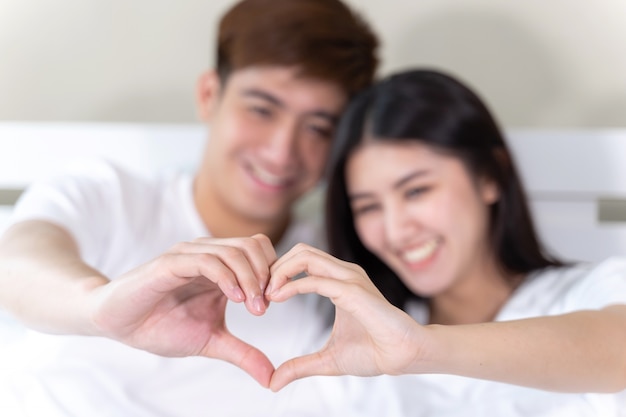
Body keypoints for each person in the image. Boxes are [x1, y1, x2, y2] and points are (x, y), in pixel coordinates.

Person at [0, 0, 378, 415]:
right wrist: (100, 308)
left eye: (318, 128)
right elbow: (19, 261)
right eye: (261, 110)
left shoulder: (337, 277)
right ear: (209, 95)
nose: (280, 151)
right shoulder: (110, 196)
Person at [266, 69, 626, 415]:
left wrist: (421, 348)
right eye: (368, 206)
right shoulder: (354, 354)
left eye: (417, 190)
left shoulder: (594, 291)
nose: (396, 231)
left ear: (489, 175)